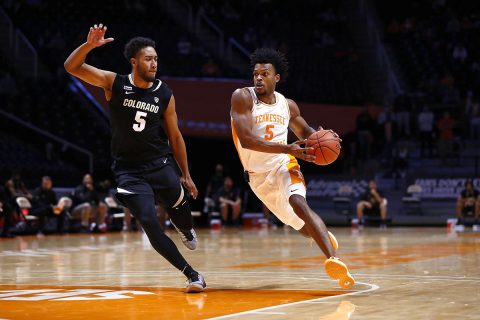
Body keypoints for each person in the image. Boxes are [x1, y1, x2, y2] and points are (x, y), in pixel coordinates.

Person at [64, 24, 205, 292]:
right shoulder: (113, 82)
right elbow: (71, 67)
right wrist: (89, 46)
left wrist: (186, 174)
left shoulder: (164, 93)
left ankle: (185, 228)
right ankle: (192, 274)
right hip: (129, 171)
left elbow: (175, 137)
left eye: (156, 59)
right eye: (148, 59)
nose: (154, 63)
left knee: (181, 208)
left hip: (160, 162)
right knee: (149, 223)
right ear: (134, 61)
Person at [230, 48, 354, 289]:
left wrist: (323, 137)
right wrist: (287, 147)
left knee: (299, 203)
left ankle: (333, 259)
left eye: (265, 74)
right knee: (303, 228)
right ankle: (321, 235)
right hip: (256, 176)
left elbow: (306, 133)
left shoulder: (288, 106)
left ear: (276, 78)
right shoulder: (242, 97)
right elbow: (246, 140)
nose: (258, 78)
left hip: (283, 164)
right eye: (255, 73)